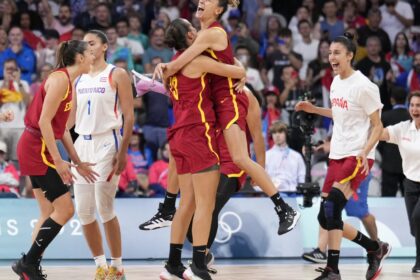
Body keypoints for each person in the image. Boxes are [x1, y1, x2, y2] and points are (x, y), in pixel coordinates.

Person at [154, 0, 300, 237]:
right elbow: (227, 61)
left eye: (208, 0)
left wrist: (165, 66)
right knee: (180, 148)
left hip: (228, 99)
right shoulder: (204, 35)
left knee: (241, 157)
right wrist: (238, 66)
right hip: (215, 103)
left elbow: (185, 60)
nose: (201, 1)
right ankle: (171, 209)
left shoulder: (212, 32)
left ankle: (283, 209)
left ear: (219, 10)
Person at [157, 18, 247, 280]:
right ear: (188, 36)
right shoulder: (196, 61)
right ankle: (198, 265)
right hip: (198, 132)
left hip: (178, 136)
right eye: (192, 29)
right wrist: (237, 63)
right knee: (205, 206)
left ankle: (173, 263)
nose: (198, 32)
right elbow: (237, 72)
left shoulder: (169, 69)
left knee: (187, 204)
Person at [295, 32, 390, 279]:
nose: (331, 57)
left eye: (337, 52)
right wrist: (314, 109)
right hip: (337, 154)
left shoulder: (365, 86)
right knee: (325, 215)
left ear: (350, 55)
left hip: (357, 155)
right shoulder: (336, 82)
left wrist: (365, 151)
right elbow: (340, 114)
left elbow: (377, 126)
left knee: (332, 207)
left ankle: (332, 269)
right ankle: (374, 248)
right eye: (329, 53)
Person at [12, 40, 97, 280]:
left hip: (38, 144)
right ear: (80, 58)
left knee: (48, 211)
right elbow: (44, 122)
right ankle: (28, 263)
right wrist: (59, 162)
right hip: (36, 146)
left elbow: (61, 130)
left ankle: (28, 267)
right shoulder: (60, 80)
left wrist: (77, 161)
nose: (93, 58)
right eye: (90, 54)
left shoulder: (69, 81)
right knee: (65, 209)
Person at [70, 29, 134, 280]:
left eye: (92, 43)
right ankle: (100, 265)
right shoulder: (79, 78)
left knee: (104, 206)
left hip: (108, 142)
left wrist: (124, 150)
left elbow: (129, 116)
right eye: (84, 44)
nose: (87, 47)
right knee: (84, 211)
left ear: (105, 46)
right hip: (82, 144)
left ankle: (117, 267)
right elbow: (70, 118)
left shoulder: (116, 74)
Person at [302, 139, 379, 264]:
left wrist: (329, 145)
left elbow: (363, 134)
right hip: (338, 163)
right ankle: (321, 251)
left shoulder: (365, 122)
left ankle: (376, 244)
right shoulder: (336, 124)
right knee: (327, 211)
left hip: (357, 164)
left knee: (360, 212)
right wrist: (315, 146)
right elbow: (338, 134)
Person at [379, 91, 420, 272]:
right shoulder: (403, 128)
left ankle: (419, 262)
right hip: (410, 183)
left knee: (419, 218)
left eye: (418, 105)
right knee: (415, 227)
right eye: (412, 105)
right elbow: (381, 134)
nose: (415, 109)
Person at [378, 87, 410, 197]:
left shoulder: (385, 116)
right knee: (411, 203)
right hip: (409, 166)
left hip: (389, 165)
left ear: (392, 100)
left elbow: (378, 140)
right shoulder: (412, 117)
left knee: (387, 200)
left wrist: (385, 154)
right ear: (406, 100)